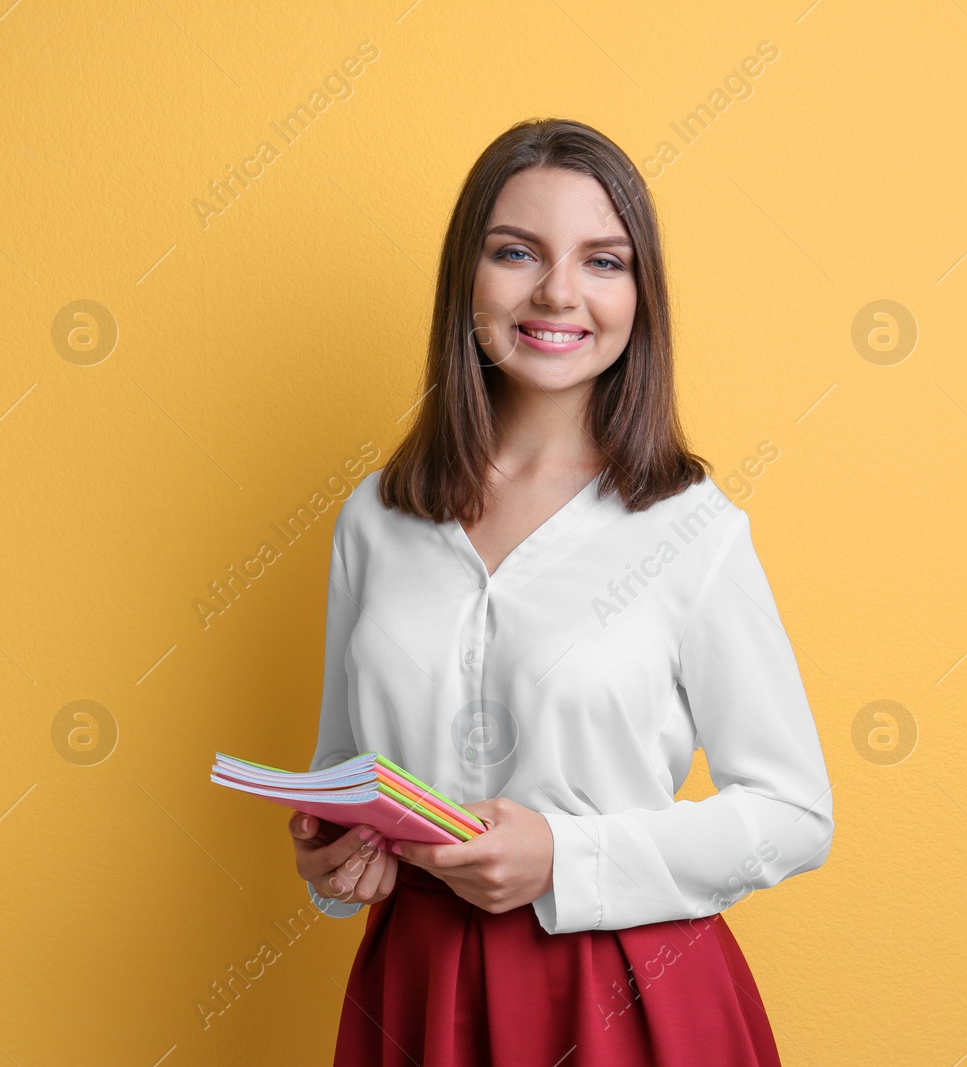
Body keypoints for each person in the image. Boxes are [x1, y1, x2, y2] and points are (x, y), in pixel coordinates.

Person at [287, 117, 833, 1066]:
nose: (557, 292)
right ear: (468, 277)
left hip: (629, 993)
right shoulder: (374, 517)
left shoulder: (691, 527)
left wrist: (568, 861)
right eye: (516, 252)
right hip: (415, 993)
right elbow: (346, 777)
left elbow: (794, 813)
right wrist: (333, 864)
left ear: (640, 294)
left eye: (603, 261)